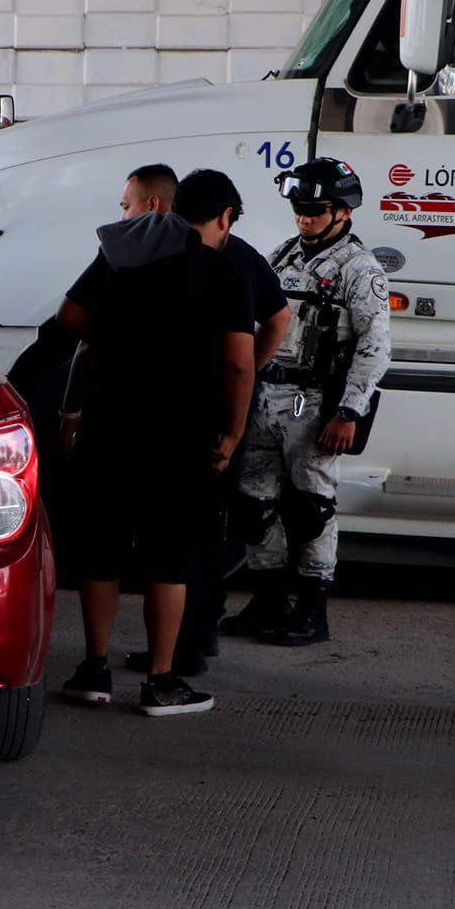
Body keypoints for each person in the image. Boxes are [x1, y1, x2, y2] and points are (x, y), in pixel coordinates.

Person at [55, 168, 255, 716]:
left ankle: (93, 671)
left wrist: (121, 339)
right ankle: (161, 682)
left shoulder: (120, 257)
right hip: (182, 436)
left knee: (101, 553)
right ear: (222, 219)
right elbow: (240, 365)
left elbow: (70, 317)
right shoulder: (225, 274)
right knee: (170, 558)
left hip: (109, 425)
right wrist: (233, 432)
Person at [117, 170, 291, 677]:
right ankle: (189, 644)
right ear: (225, 216)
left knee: (164, 539)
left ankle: (178, 649)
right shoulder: (237, 258)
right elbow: (278, 321)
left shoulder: (146, 252)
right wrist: (241, 383)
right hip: (213, 417)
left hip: (153, 414)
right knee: (203, 532)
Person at [226, 157, 391, 648]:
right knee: (255, 502)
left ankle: (312, 610)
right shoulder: (282, 255)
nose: (305, 217)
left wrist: (349, 410)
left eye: (316, 209)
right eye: (300, 207)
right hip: (263, 397)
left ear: (343, 211)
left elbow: (375, 344)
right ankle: (268, 599)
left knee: (311, 507)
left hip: (312, 402)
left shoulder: (359, 269)